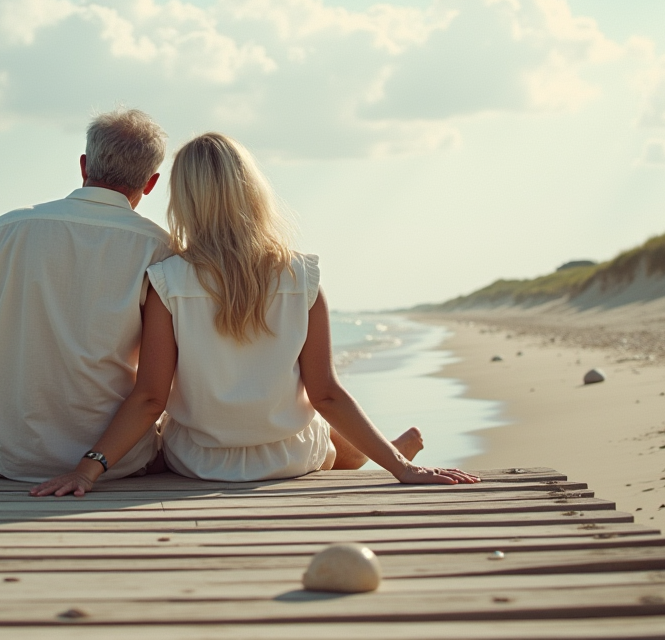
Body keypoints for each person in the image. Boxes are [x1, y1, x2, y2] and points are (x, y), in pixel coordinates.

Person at [31, 132, 479, 496]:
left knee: (157, 444)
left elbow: (151, 397)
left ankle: (377, 450)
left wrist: (87, 471)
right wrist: (401, 470)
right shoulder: (301, 276)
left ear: (182, 199)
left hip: (200, 463)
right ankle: (385, 451)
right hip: (289, 459)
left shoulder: (168, 281)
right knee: (322, 433)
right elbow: (326, 394)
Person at [0, 109, 173, 482]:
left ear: (84, 165)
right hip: (119, 465)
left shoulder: (8, 229)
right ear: (151, 182)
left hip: (10, 462)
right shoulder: (161, 248)